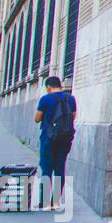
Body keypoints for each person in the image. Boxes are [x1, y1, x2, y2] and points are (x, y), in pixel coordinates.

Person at [35, 76, 76, 210]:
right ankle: (56, 202)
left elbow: (37, 118)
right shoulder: (70, 98)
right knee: (60, 168)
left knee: (47, 168)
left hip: (48, 137)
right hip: (64, 138)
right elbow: (73, 117)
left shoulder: (46, 99)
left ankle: (45, 203)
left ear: (48, 87)